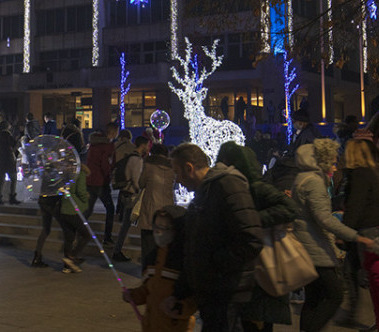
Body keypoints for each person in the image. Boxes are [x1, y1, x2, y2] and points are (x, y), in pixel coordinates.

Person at [163, 143, 263, 331]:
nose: (177, 180)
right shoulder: (203, 194)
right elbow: (195, 246)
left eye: (177, 172)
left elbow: (251, 238)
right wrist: (180, 292)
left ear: (189, 168)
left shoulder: (227, 185)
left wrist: (215, 265)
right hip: (213, 291)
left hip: (226, 292)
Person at [293, 139, 379, 332]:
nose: (335, 166)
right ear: (322, 161)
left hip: (308, 246)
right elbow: (324, 219)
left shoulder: (304, 178)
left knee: (314, 298)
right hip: (315, 248)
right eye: (332, 162)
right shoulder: (314, 183)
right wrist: (355, 236)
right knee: (335, 295)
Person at [217, 142, 297, 332]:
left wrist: (253, 220)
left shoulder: (257, 187)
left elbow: (289, 208)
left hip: (262, 266)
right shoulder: (233, 187)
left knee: (257, 320)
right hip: (248, 267)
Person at [336, 139, 379, 329]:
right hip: (366, 227)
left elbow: (355, 205)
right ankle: (354, 313)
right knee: (353, 272)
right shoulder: (365, 172)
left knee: (367, 276)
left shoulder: (360, 174)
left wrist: (344, 232)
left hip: (364, 229)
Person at [124, 205, 196, 332]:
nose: (158, 232)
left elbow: (196, 296)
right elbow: (148, 289)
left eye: (165, 228)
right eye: (156, 227)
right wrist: (133, 295)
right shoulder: (154, 257)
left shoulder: (185, 261)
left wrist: (180, 308)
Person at [136, 143, 176, 264]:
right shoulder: (172, 168)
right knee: (164, 242)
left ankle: (147, 269)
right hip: (167, 207)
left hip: (150, 205)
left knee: (148, 240)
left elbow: (141, 183)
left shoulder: (148, 165)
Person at [112, 136, 146, 262]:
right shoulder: (137, 160)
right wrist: (140, 191)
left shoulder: (129, 157)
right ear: (143, 145)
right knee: (128, 224)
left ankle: (118, 250)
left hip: (124, 193)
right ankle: (118, 251)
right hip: (132, 195)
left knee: (126, 224)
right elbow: (136, 181)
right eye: (147, 145)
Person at [84, 132, 116, 244]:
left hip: (90, 181)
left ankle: (78, 231)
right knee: (110, 208)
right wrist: (109, 175)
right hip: (101, 182)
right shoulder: (106, 147)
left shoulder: (92, 146)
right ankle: (107, 237)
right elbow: (105, 165)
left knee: (88, 209)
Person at [58, 164, 91, 273]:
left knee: (69, 237)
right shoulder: (80, 174)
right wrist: (86, 197)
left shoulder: (65, 173)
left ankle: (67, 267)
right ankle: (71, 257)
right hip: (74, 210)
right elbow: (80, 191)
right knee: (86, 235)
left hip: (64, 210)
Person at [0, 121, 20, 205]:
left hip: (0, 159)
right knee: (13, 178)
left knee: (1, 179)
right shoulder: (7, 134)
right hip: (8, 159)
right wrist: (18, 141)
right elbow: (13, 145)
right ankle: (12, 197)